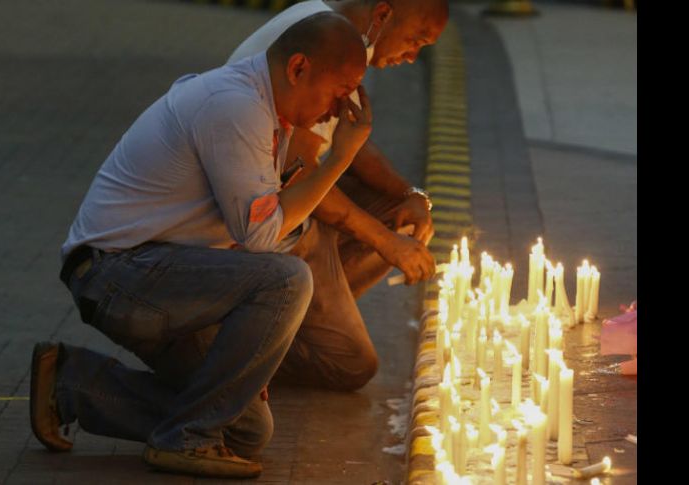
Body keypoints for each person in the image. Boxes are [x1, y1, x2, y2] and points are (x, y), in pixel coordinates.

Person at [29, 12, 372, 479]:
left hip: (159, 274)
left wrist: (246, 354)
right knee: (289, 280)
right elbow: (261, 237)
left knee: (245, 428)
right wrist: (341, 157)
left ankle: (70, 383)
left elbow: (248, 236)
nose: (338, 110)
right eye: (339, 92)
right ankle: (185, 439)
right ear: (298, 68)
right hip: (115, 274)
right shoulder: (235, 106)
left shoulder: (269, 111)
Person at [225, 0, 449, 391]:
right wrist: (385, 242)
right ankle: (227, 348)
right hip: (263, 222)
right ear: (383, 14)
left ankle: (298, 316)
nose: (412, 56)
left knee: (403, 217)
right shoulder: (322, 41)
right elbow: (298, 171)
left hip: (293, 205)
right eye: (415, 40)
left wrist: (411, 193)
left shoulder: (346, 37)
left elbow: (349, 140)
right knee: (352, 362)